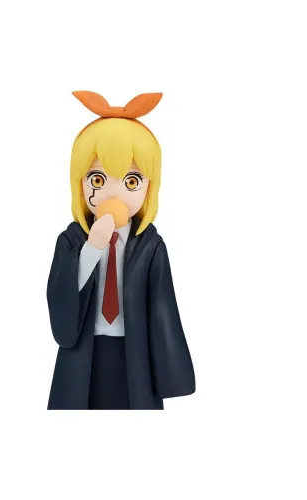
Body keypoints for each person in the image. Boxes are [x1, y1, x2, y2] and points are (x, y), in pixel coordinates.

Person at [47, 91, 195, 410]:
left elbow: (163, 306)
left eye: (131, 182)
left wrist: (172, 373)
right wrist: (92, 247)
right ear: (79, 183)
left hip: (135, 352)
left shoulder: (151, 246)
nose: (113, 193)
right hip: (82, 351)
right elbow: (58, 295)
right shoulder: (71, 241)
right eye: (97, 179)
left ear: (149, 187)